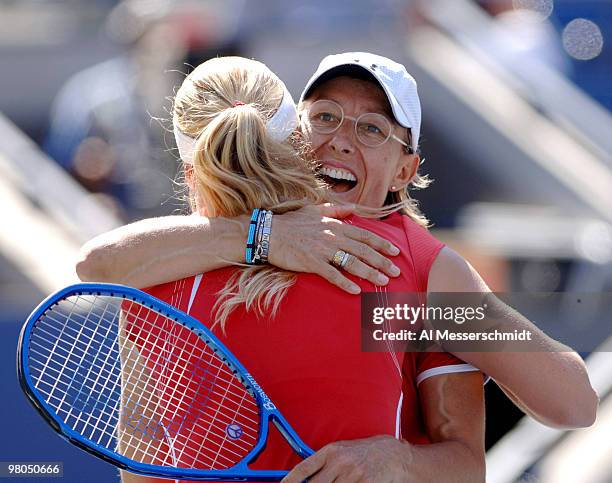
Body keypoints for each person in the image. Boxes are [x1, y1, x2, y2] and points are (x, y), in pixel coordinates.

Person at [78, 52, 598, 476]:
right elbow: (95, 269)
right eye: (324, 116)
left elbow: (566, 404)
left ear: (405, 169)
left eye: (372, 128)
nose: (341, 138)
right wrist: (263, 235)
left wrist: (396, 460)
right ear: (288, 134)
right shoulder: (180, 256)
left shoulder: (399, 281)